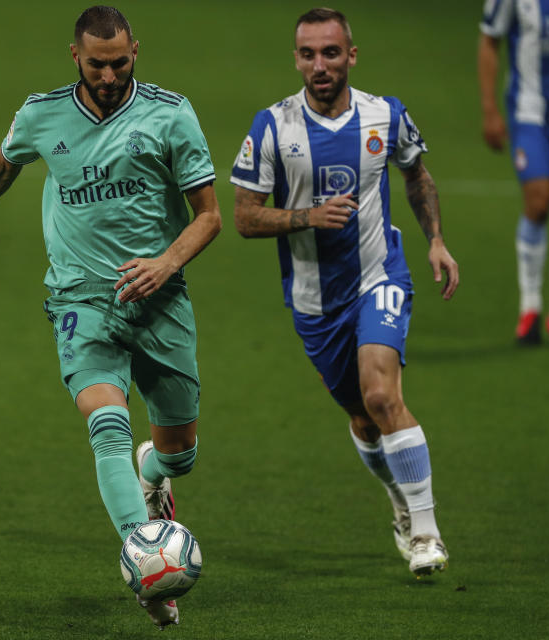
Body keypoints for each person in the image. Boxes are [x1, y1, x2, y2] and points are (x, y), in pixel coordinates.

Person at [0, 5, 221, 628]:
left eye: (119, 62)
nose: (109, 75)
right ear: (75, 57)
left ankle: (153, 474)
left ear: (135, 51)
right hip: (80, 299)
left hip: (161, 300)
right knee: (105, 421)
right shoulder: (43, 113)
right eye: (97, 64)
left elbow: (209, 216)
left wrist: (165, 264)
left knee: (181, 451)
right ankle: (147, 564)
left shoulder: (171, 114)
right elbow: (3, 165)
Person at [230, 8, 459, 577]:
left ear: (351, 56)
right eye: (308, 54)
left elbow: (417, 174)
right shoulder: (272, 127)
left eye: (331, 53)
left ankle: (428, 534)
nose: (320, 65)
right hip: (314, 300)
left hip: (381, 275)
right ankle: (400, 503)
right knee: (362, 418)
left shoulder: (387, 115)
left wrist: (435, 240)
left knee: (383, 396)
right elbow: (244, 218)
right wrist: (308, 216)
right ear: (296, 59)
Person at [478, 0, 549, 346]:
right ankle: (529, 309)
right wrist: (490, 109)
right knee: (539, 202)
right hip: (530, 115)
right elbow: (489, 40)